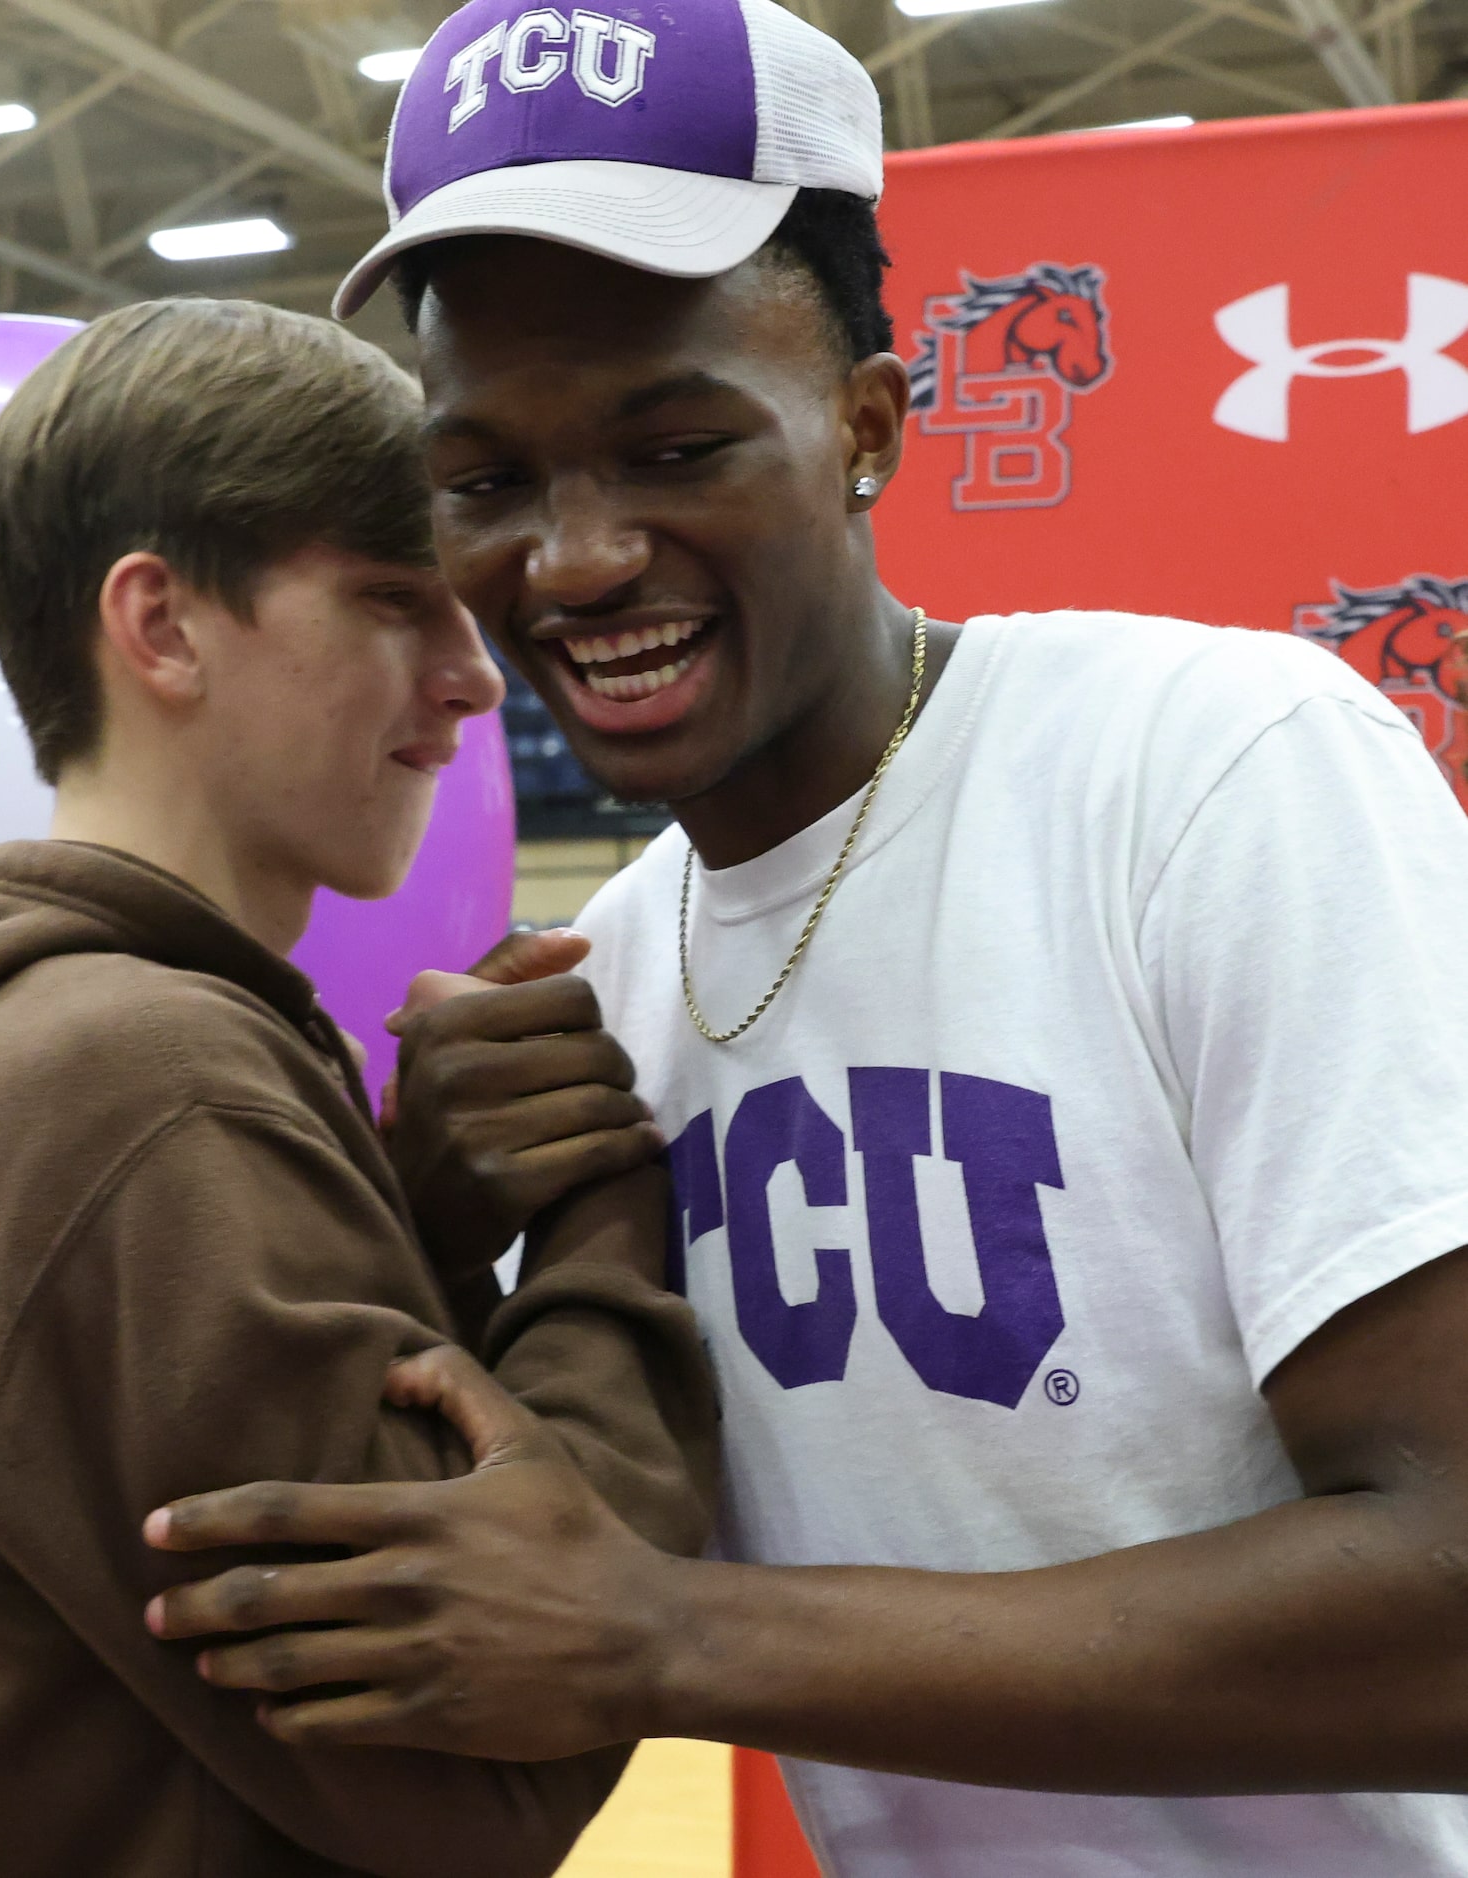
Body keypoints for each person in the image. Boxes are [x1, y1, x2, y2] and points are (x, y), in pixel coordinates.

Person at [140, 6, 1468, 1874]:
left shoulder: (1206, 770)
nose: (576, 558)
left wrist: (665, 1640)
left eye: (673, 444)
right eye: (486, 482)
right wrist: (427, 1218)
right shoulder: (591, 999)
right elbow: (479, 1580)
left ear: (864, 423)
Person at [0, 297, 718, 1878]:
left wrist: (425, 1211)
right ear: (159, 625)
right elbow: (485, 1777)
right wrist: (601, 1214)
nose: (472, 678)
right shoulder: (135, 1088)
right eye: (388, 602)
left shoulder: (56, 1040)